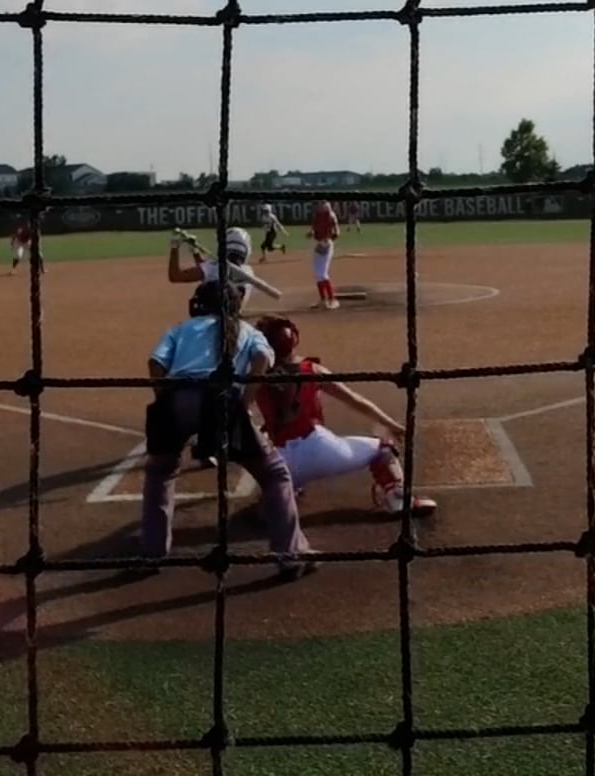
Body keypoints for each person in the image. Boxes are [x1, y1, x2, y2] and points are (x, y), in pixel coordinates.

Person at [141, 280, 315, 579]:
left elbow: (155, 363)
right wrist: (243, 404)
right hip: (222, 401)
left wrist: (166, 400)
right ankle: (291, 556)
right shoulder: (247, 330)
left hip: (178, 398)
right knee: (274, 474)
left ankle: (151, 554)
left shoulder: (181, 329)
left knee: (160, 472)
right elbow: (263, 358)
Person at [253, 314, 437, 517]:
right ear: (294, 340)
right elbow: (355, 401)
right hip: (321, 449)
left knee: (270, 482)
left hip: (280, 462)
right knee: (383, 449)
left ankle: (278, 500)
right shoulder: (312, 370)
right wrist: (392, 425)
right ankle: (397, 499)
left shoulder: (253, 376)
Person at [167, 226, 280, 313]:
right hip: (235, 322)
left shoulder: (214, 268)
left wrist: (174, 246)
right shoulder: (247, 270)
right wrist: (195, 251)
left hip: (211, 320)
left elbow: (175, 276)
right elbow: (207, 271)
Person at [310, 200, 340, 310]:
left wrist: (328, 240)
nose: (320, 207)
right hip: (318, 244)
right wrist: (311, 233)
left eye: (323, 206)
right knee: (317, 273)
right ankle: (323, 300)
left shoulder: (330, 216)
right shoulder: (317, 216)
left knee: (322, 274)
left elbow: (337, 231)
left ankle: (332, 300)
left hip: (326, 245)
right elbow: (314, 229)